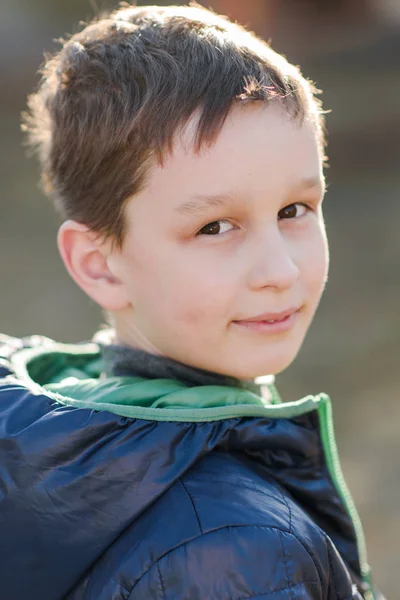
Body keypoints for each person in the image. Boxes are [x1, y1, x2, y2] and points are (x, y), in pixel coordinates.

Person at [0, 4, 385, 599]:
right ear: (99, 264)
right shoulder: (242, 554)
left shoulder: (43, 439)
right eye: (214, 227)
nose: (279, 272)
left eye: (294, 211)